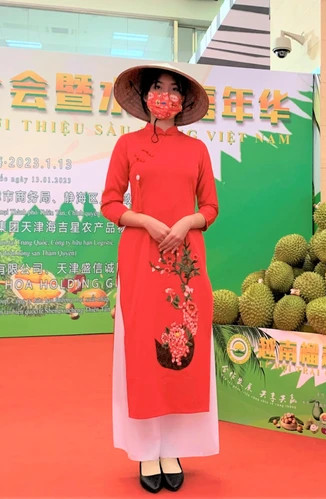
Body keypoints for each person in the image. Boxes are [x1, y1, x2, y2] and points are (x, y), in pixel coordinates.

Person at [100, 64, 219, 494]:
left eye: (174, 90)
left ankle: (173, 446)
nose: (165, 96)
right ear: (146, 96)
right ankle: (146, 449)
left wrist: (187, 221)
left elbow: (210, 208)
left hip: (186, 258)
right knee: (143, 350)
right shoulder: (127, 146)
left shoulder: (196, 150)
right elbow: (110, 204)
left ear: (184, 102)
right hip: (141, 255)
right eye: (158, 88)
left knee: (182, 346)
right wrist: (146, 221)